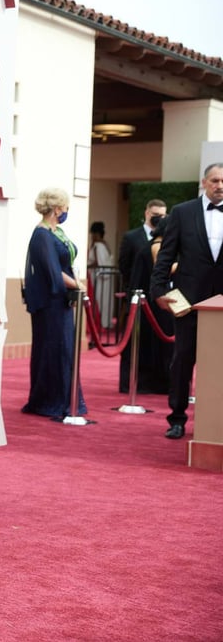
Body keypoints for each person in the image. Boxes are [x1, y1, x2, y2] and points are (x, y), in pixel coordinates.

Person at [150, 163, 223, 439]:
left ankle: (216, 420)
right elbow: (166, 255)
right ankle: (177, 418)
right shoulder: (182, 212)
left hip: (222, 305)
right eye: (215, 180)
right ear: (204, 182)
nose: (220, 185)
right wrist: (158, 289)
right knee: (182, 359)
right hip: (188, 300)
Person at [21, 188, 87, 421]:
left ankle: (64, 398)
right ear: (58, 209)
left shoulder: (57, 232)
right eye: (66, 207)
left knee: (65, 349)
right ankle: (50, 400)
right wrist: (77, 285)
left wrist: (74, 286)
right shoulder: (42, 234)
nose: (67, 211)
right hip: (50, 302)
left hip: (62, 298)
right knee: (54, 348)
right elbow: (52, 270)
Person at [117, 199, 168, 392]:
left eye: (162, 216)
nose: (159, 219)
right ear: (147, 213)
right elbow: (124, 266)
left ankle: (158, 381)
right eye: (155, 215)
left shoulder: (168, 239)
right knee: (137, 340)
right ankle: (134, 382)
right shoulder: (131, 237)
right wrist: (134, 290)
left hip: (159, 300)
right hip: (139, 297)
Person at [86, 221, 113, 331]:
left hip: (98, 277)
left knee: (99, 299)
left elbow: (98, 262)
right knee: (103, 299)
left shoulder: (98, 246)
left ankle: (101, 322)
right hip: (103, 277)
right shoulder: (104, 244)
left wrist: (86, 266)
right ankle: (104, 321)